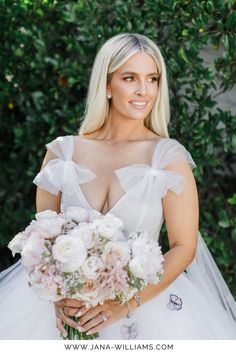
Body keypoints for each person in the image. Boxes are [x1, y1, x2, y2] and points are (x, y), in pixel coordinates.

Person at [0, 33, 236, 340]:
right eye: (130, 78)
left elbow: (184, 247)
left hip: (147, 308)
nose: (144, 91)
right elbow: (44, 241)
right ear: (107, 85)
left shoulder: (166, 157)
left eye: (152, 79)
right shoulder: (63, 153)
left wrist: (122, 305)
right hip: (64, 312)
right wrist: (58, 298)